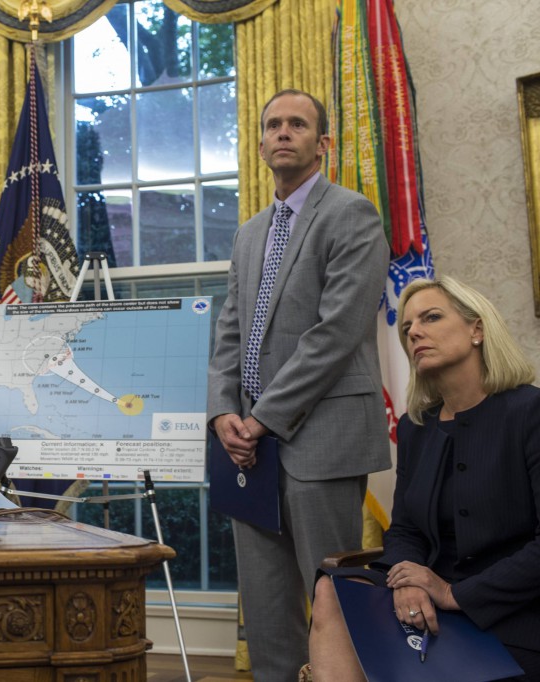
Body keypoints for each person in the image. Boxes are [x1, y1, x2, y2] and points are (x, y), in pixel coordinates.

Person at [206, 89, 391, 679]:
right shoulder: (248, 233)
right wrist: (223, 413)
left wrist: (262, 418)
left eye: (297, 124)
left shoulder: (352, 214)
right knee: (266, 611)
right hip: (248, 450)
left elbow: (337, 332)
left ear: (323, 143)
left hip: (321, 438)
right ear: (261, 145)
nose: (283, 132)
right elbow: (230, 332)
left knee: (334, 604)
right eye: (273, 125)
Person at [309, 276, 540, 681]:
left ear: (477, 330)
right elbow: (405, 529)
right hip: (427, 602)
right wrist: (408, 580)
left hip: (512, 610)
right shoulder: (415, 427)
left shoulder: (530, 412)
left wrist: (451, 593)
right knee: (331, 589)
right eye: (407, 327)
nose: (414, 331)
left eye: (431, 317)